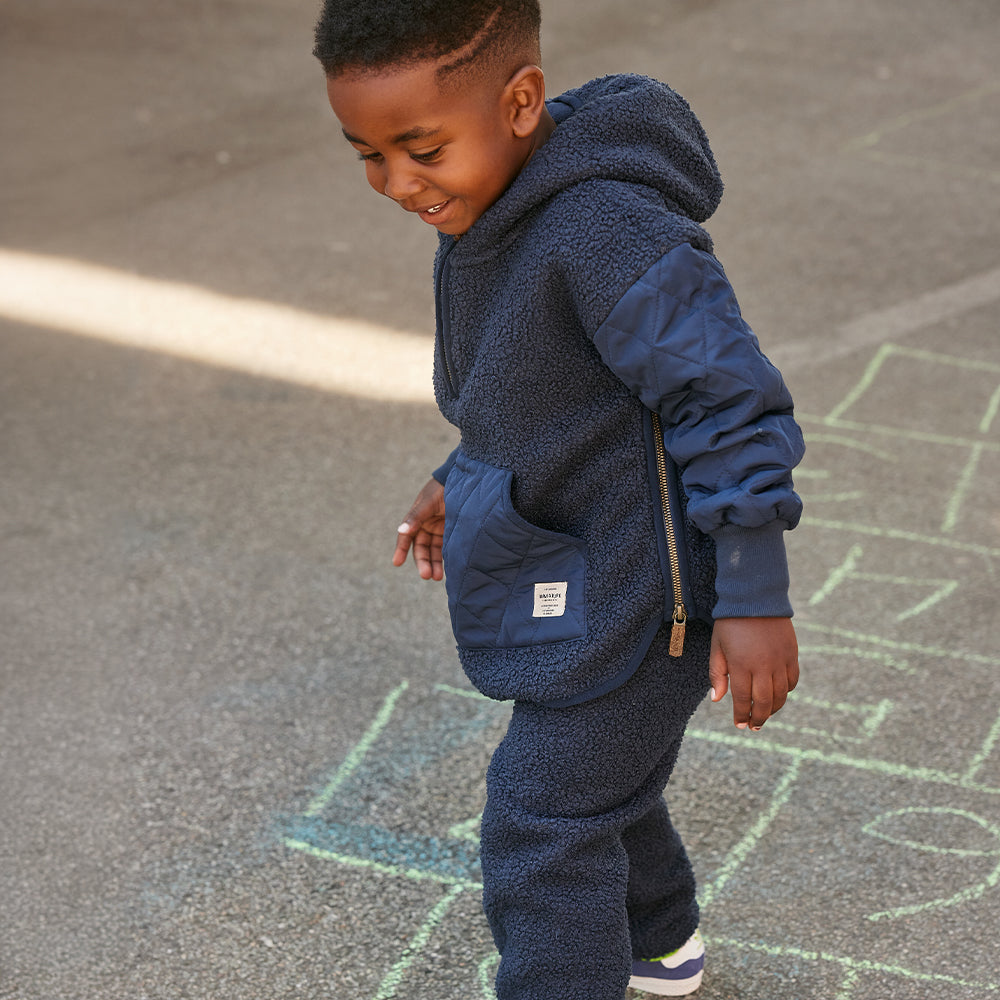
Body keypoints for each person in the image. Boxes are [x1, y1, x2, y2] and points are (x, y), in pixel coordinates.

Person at [313, 1, 804, 996]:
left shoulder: (607, 234)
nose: (399, 183)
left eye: (421, 149)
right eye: (366, 154)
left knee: (543, 815)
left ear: (522, 101)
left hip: (651, 593)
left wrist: (752, 595)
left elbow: (730, 403)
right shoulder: (488, 197)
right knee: (596, 783)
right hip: (589, 561)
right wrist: (461, 473)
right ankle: (659, 944)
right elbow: (542, 391)